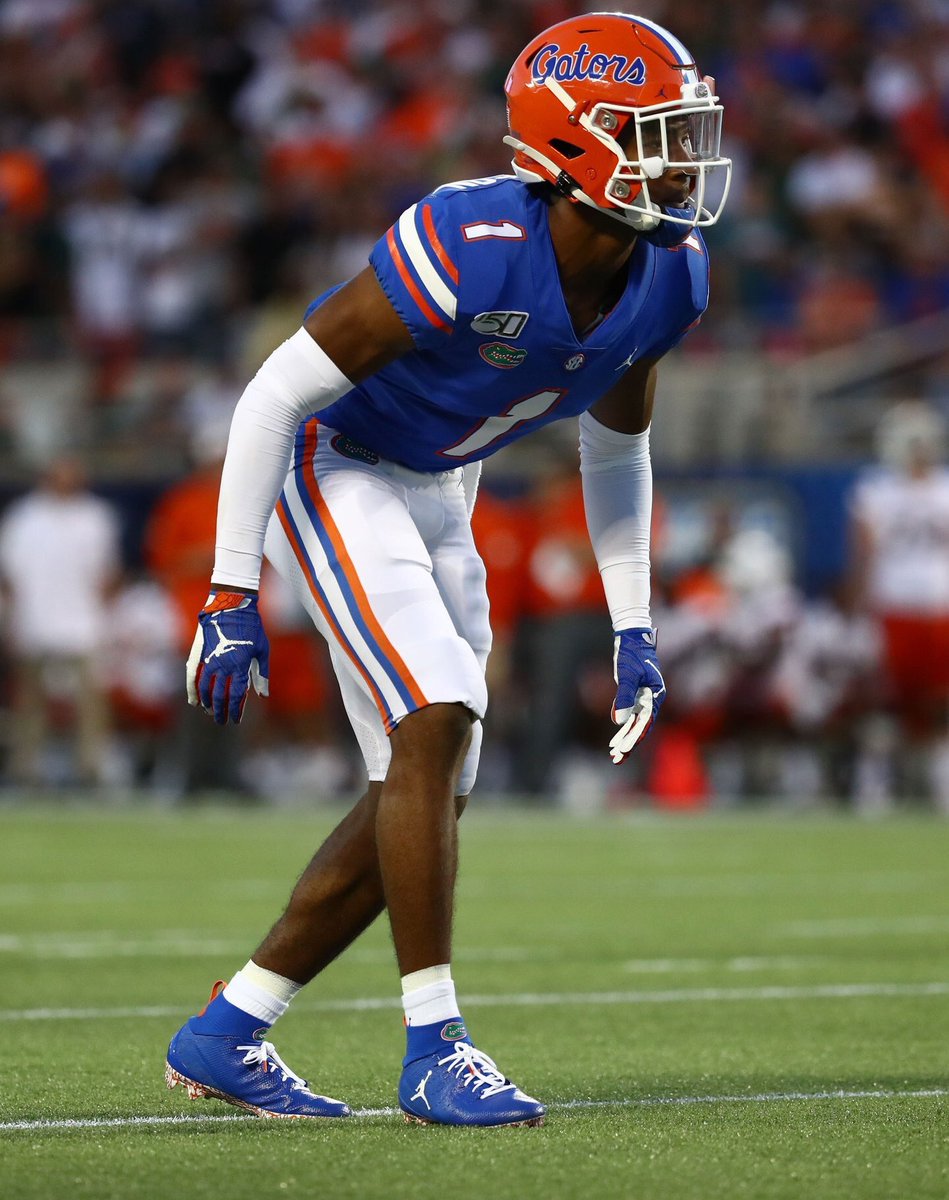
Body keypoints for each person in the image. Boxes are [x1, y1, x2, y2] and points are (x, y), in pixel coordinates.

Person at [159, 13, 731, 1127]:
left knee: (426, 788)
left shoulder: (669, 275)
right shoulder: (472, 241)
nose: (682, 158)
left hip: (443, 493)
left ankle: (229, 1029)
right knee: (438, 708)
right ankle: (435, 1045)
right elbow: (277, 391)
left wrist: (633, 623)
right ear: (574, 144)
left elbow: (617, 448)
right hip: (340, 466)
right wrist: (229, 590)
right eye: (655, 132)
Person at [848, 400, 949, 810]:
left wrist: (857, 607)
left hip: (900, 601)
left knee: (896, 700)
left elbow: (864, 556)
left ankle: (878, 787)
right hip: (930, 602)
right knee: (915, 699)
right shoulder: (886, 489)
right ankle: (904, 785)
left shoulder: (875, 490)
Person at [0, 454, 121, 787]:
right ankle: (26, 769)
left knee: (90, 706)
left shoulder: (95, 517)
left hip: (84, 624)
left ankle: (89, 769)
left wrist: (107, 621)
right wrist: (12, 622)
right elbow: (9, 579)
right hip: (34, 623)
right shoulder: (24, 519)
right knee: (29, 704)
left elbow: (106, 574)